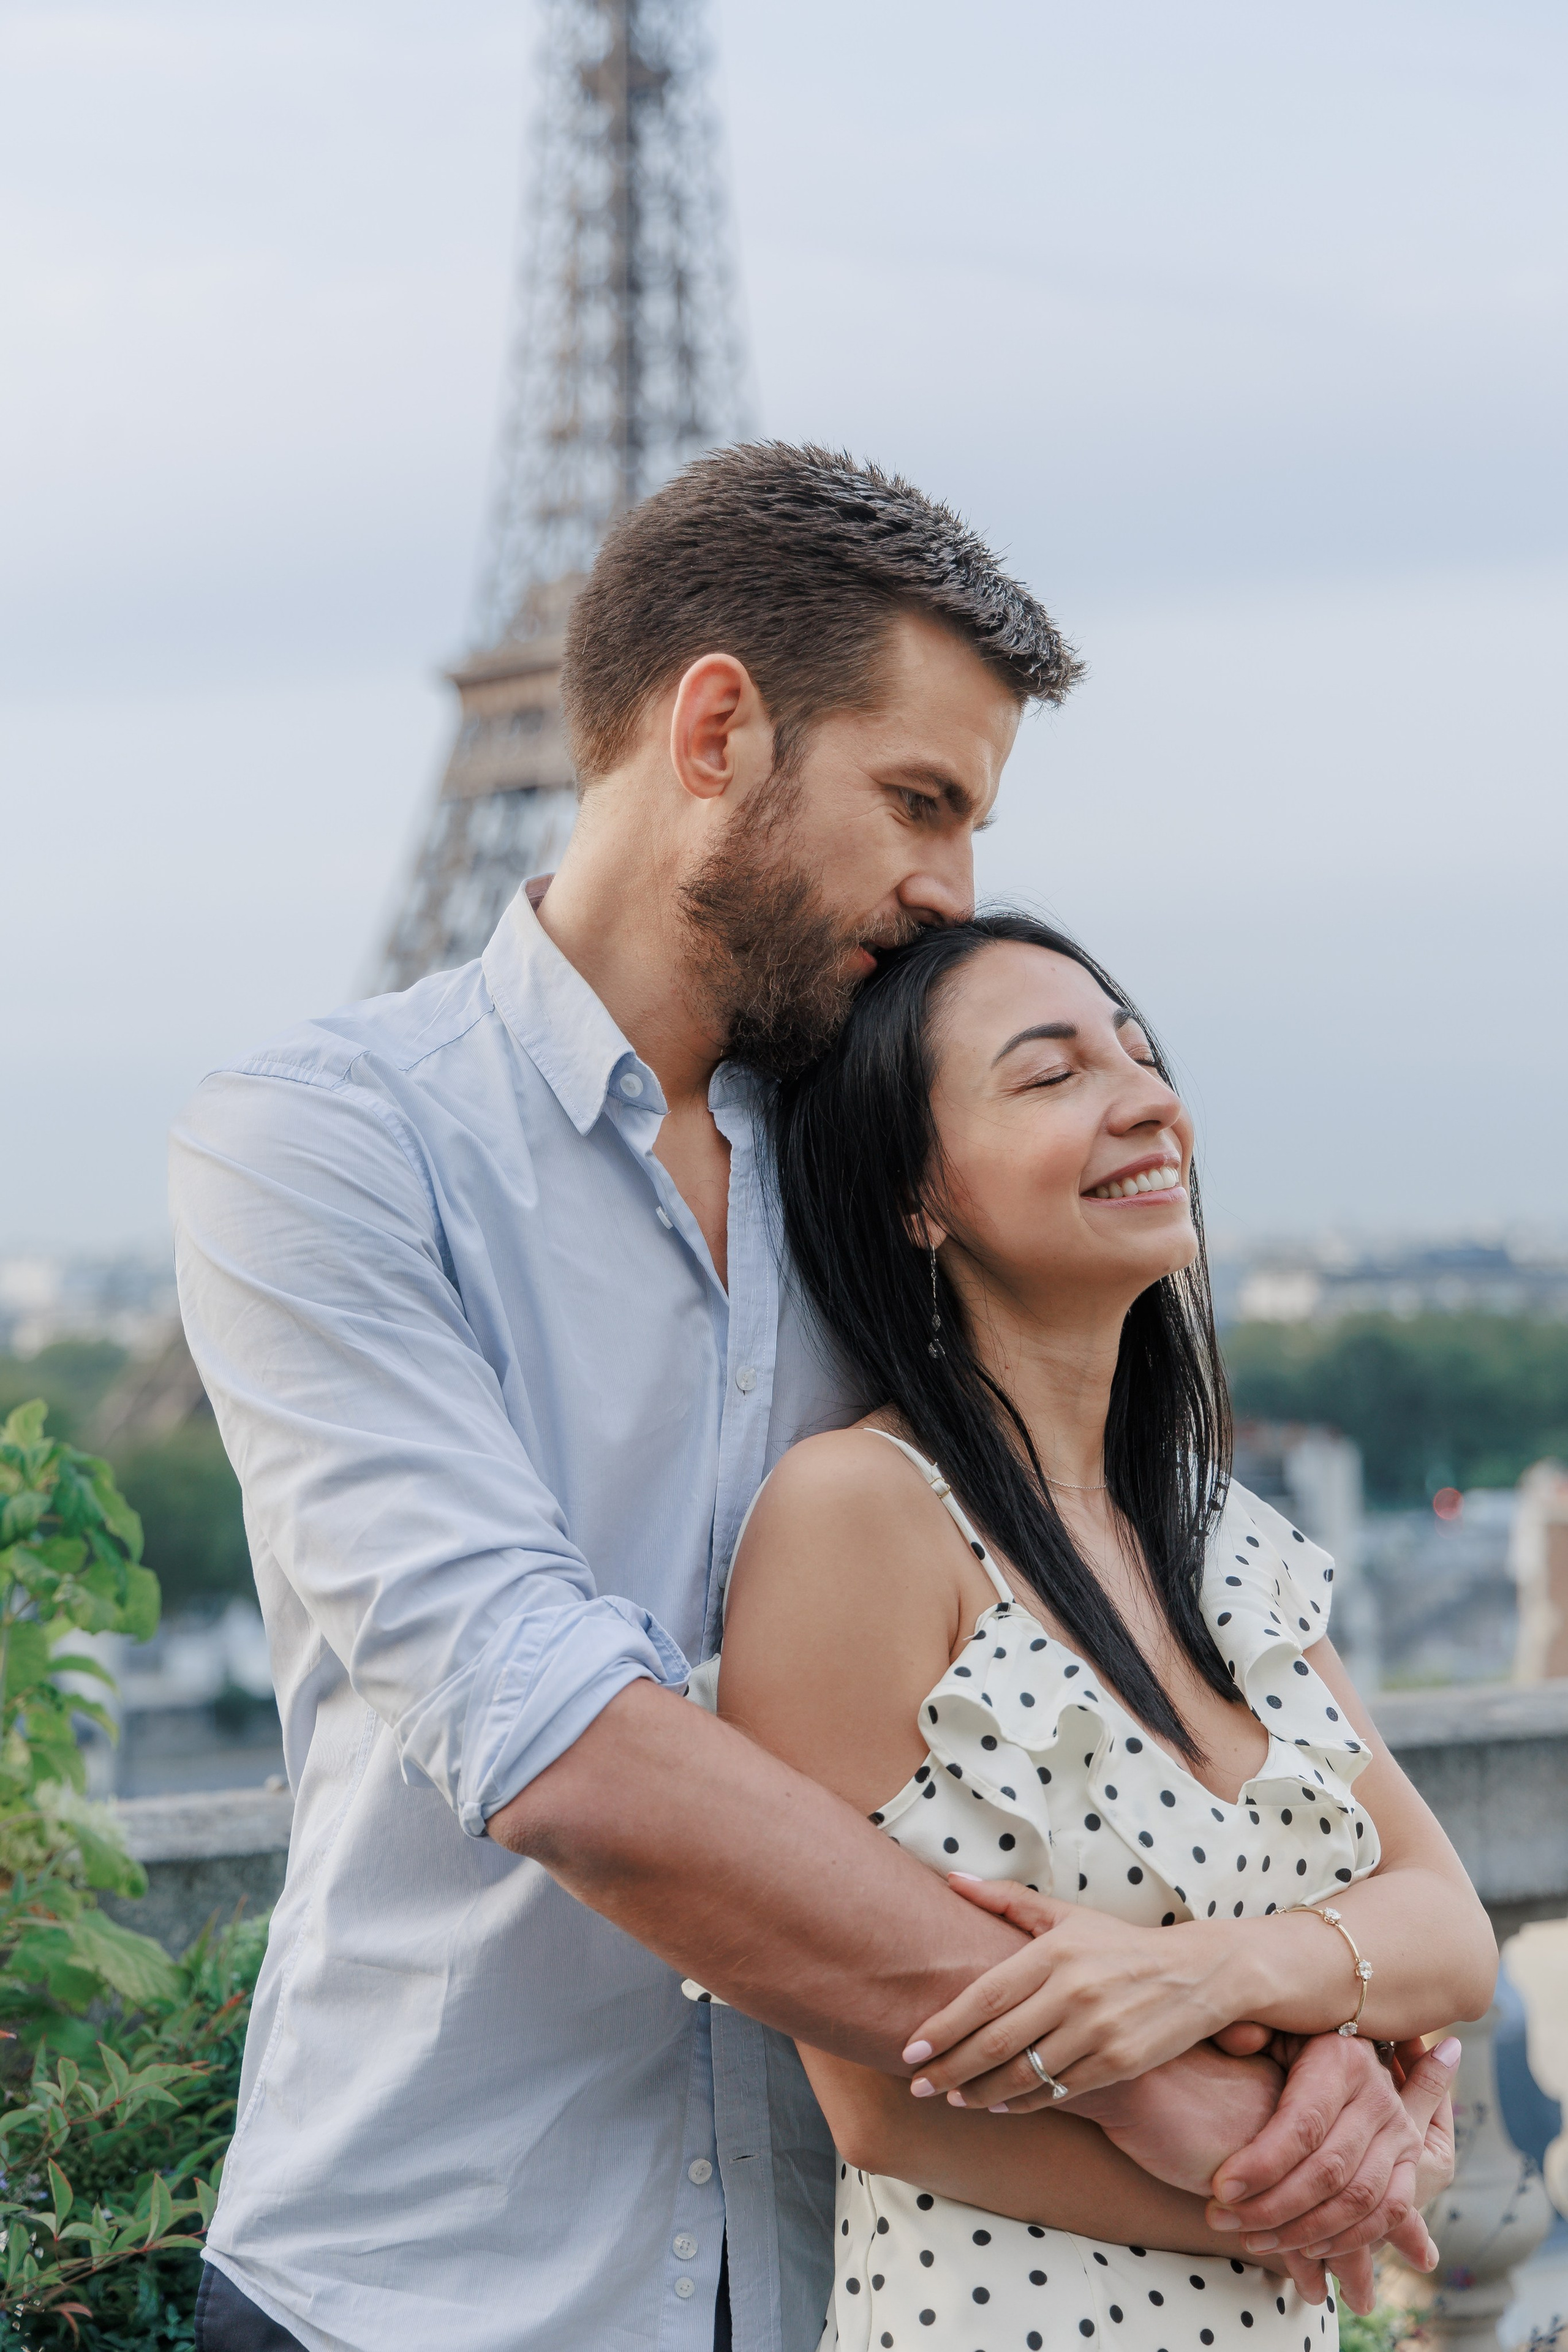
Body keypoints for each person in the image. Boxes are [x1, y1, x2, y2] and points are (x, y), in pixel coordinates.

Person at [173, 445, 1461, 2352]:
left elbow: (1149, 1679)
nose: (953, 888)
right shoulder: (328, 1148)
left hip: (846, 2284)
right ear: (716, 730)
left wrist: (1340, 2014)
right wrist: (1138, 2066)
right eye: (919, 802)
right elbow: (552, 1733)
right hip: (431, 2284)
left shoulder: (896, 1183)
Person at [714, 912, 1496, 2351]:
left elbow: (1446, 1930)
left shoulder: (1216, 1536)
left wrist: (1216, 1976)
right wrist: (1340, 2178)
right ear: (912, 1196)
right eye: (1050, 1074)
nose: (1147, 1101)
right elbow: (884, 2107)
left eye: (1139, 1057)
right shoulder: (857, 1516)